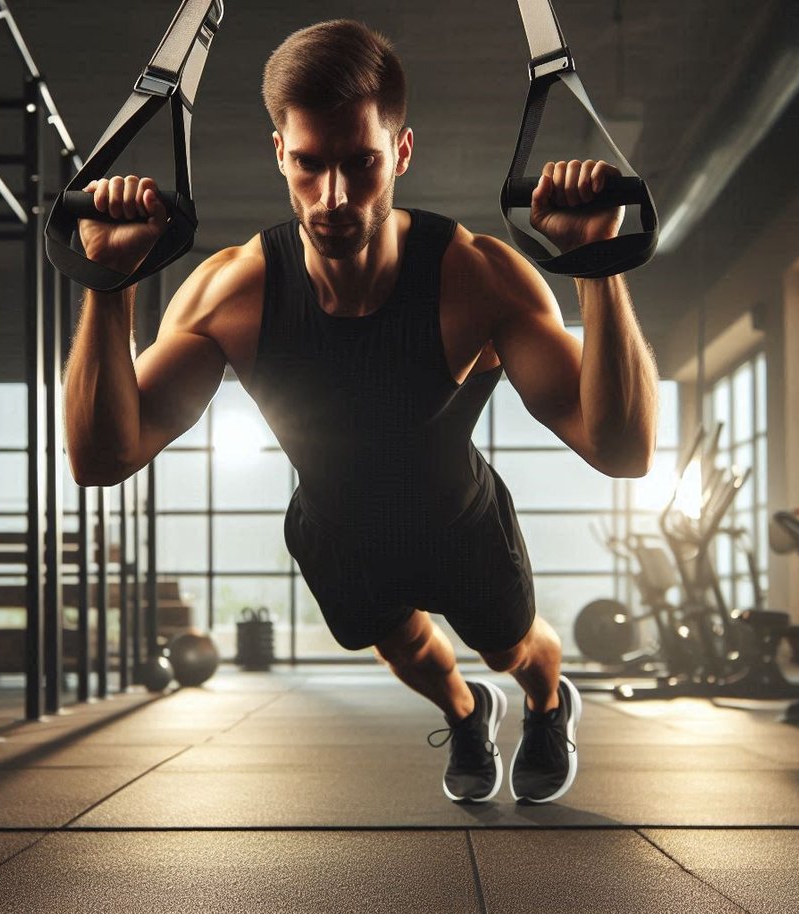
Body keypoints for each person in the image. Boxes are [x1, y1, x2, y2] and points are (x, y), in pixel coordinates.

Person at [64, 20, 659, 805]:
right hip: (336, 533)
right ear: (280, 153)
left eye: (361, 164)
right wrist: (108, 287)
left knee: (515, 647)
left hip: (463, 524)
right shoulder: (233, 292)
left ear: (401, 154)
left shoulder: (477, 278)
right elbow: (101, 459)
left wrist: (597, 269)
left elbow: (622, 451)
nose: (334, 196)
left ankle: (549, 704)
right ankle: (468, 711)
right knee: (409, 649)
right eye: (309, 165)